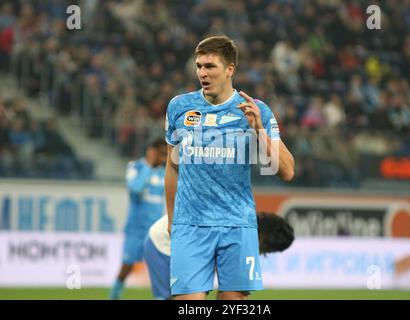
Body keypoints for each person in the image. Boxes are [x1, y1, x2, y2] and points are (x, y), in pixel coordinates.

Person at [164, 35, 295, 300]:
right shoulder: (179, 107)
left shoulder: (256, 110)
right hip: (190, 225)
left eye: (210, 66)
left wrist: (258, 130)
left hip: (237, 224)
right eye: (199, 66)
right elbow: (172, 167)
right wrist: (171, 218)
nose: (202, 72)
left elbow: (287, 171)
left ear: (229, 69)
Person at [143, 212, 295, 300]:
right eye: (267, 248)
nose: (262, 253)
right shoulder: (240, 232)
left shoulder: (243, 221)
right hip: (163, 245)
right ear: (264, 236)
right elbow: (230, 291)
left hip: (180, 240)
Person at [110, 138, 167, 300]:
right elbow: (135, 188)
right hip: (135, 229)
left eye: (166, 154)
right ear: (152, 151)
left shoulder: (165, 172)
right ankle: (114, 297)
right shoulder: (135, 167)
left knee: (160, 270)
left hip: (155, 232)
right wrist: (148, 166)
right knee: (126, 268)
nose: (164, 158)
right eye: (161, 154)